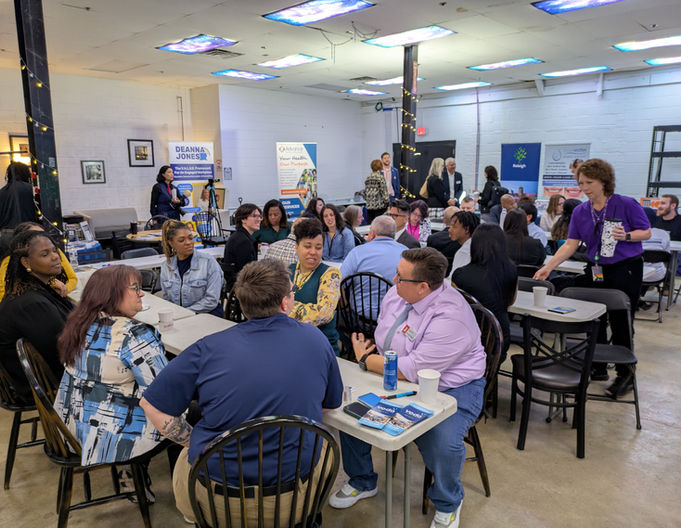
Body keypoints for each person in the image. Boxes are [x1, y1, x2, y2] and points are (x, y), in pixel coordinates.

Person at [141, 259, 343, 525]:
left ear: (243, 304)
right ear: (285, 303)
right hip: (293, 500)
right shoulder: (316, 339)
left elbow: (150, 404)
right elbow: (329, 405)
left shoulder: (208, 348)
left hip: (218, 502)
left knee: (186, 459)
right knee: (324, 444)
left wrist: (193, 441)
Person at [329, 248, 486, 528]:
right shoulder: (399, 293)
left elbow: (413, 369)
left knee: (441, 440)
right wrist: (375, 360)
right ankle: (363, 480)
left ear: (423, 287)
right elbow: (387, 339)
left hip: (452, 386)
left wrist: (365, 359)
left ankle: (449, 502)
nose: (393, 280)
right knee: (350, 408)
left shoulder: (451, 316)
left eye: (400, 277)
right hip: (394, 372)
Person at [535, 159, 651, 398]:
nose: (584, 188)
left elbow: (646, 232)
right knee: (594, 317)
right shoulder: (581, 211)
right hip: (596, 268)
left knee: (621, 320)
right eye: (581, 183)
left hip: (625, 268)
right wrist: (549, 266)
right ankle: (597, 366)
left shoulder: (625, 204)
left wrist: (627, 236)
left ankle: (625, 374)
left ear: (604, 181)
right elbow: (571, 244)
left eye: (589, 182)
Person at [54, 265, 167, 469]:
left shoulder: (80, 324)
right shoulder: (134, 334)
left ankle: (136, 474)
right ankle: (188, 480)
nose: (142, 293)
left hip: (70, 430)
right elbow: (163, 393)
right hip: (112, 441)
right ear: (112, 294)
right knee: (195, 409)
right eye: (135, 288)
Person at [0, 230, 73, 403]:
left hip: (46, 377)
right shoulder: (31, 304)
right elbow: (62, 352)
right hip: (40, 386)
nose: (55, 257)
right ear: (26, 262)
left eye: (54, 250)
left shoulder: (33, 290)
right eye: (45, 254)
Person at [452, 223, 518, 363]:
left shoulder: (460, 275)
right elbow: (511, 301)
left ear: (474, 245)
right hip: (500, 337)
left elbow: (455, 310)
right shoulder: (511, 270)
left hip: (469, 340)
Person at [289, 218, 341, 354]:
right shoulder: (288, 270)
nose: (313, 252)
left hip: (320, 347)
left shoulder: (331, 274)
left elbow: (323, 313)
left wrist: (286, 309)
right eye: (307, 246)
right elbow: (274, 305)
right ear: (296, 247)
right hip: (290, 343)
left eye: (318, 247)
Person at [340, 215, 406, 314]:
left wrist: (345, 307)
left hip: (360, 316)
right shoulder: (405, 253)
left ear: (372, 233)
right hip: (395, 315)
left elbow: (339, 283)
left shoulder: (357, 252)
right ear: (394, 234)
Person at [0, 221, 77, 301]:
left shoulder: (54, 252)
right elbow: (3, 293)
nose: (42, 239)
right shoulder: (10, 262)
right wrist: (50, 286)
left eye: (44, 234)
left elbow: (72, 278)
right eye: (35, 235)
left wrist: (63, 290)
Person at [160, 219, 224, 315]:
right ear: (171, 243)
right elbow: (167, 300)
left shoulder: (208, 262)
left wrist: (184, 313)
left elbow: (211, 300)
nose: (188, 242)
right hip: (180, 316)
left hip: (207, 315)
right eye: (181, 240)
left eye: (190, 238)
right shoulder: (166, 266)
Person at [222, 203, 261, 291]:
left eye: (259, 216)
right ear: (243, 219)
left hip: (238, 284)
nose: (259, 219)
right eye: (254, 216)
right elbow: (247, 272)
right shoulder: (243, 241)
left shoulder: (239, 236)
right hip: (243, 288)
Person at [0, 162, 37, 231]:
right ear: (25, 173)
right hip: (28, 230)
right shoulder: (30, 189)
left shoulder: (2, 191)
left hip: (6, 232)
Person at [427, 206, 461, 276]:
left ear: (443, 220)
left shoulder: (432, 238)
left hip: (436, 275)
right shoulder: (462, 239)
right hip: (457, 275)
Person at [448, 211, 480, 276]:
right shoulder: (478, 245)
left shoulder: (465, 252)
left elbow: (454, 279)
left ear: (467, 229)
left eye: (454, 227)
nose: (449, 230)